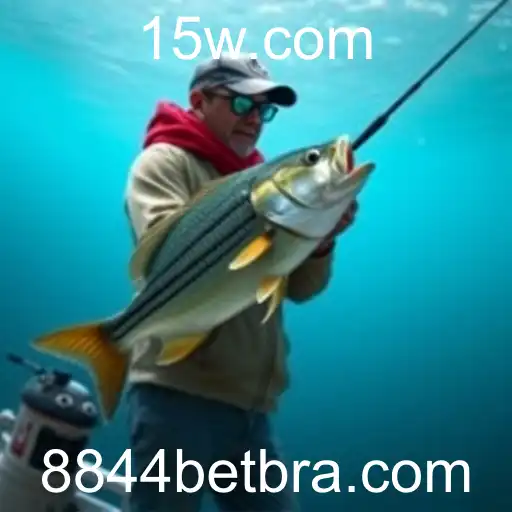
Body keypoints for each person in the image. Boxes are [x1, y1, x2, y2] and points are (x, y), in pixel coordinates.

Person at [123, 53, 358, 512]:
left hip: (251, 407)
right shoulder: (164, 162)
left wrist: (320, 236)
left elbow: (301, 289)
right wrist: (265, 221)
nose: (254, 120)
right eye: (242, 104)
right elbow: (165, 257)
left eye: (263, 110)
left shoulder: (269, 182)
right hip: (176, 394)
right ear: (199, 101)